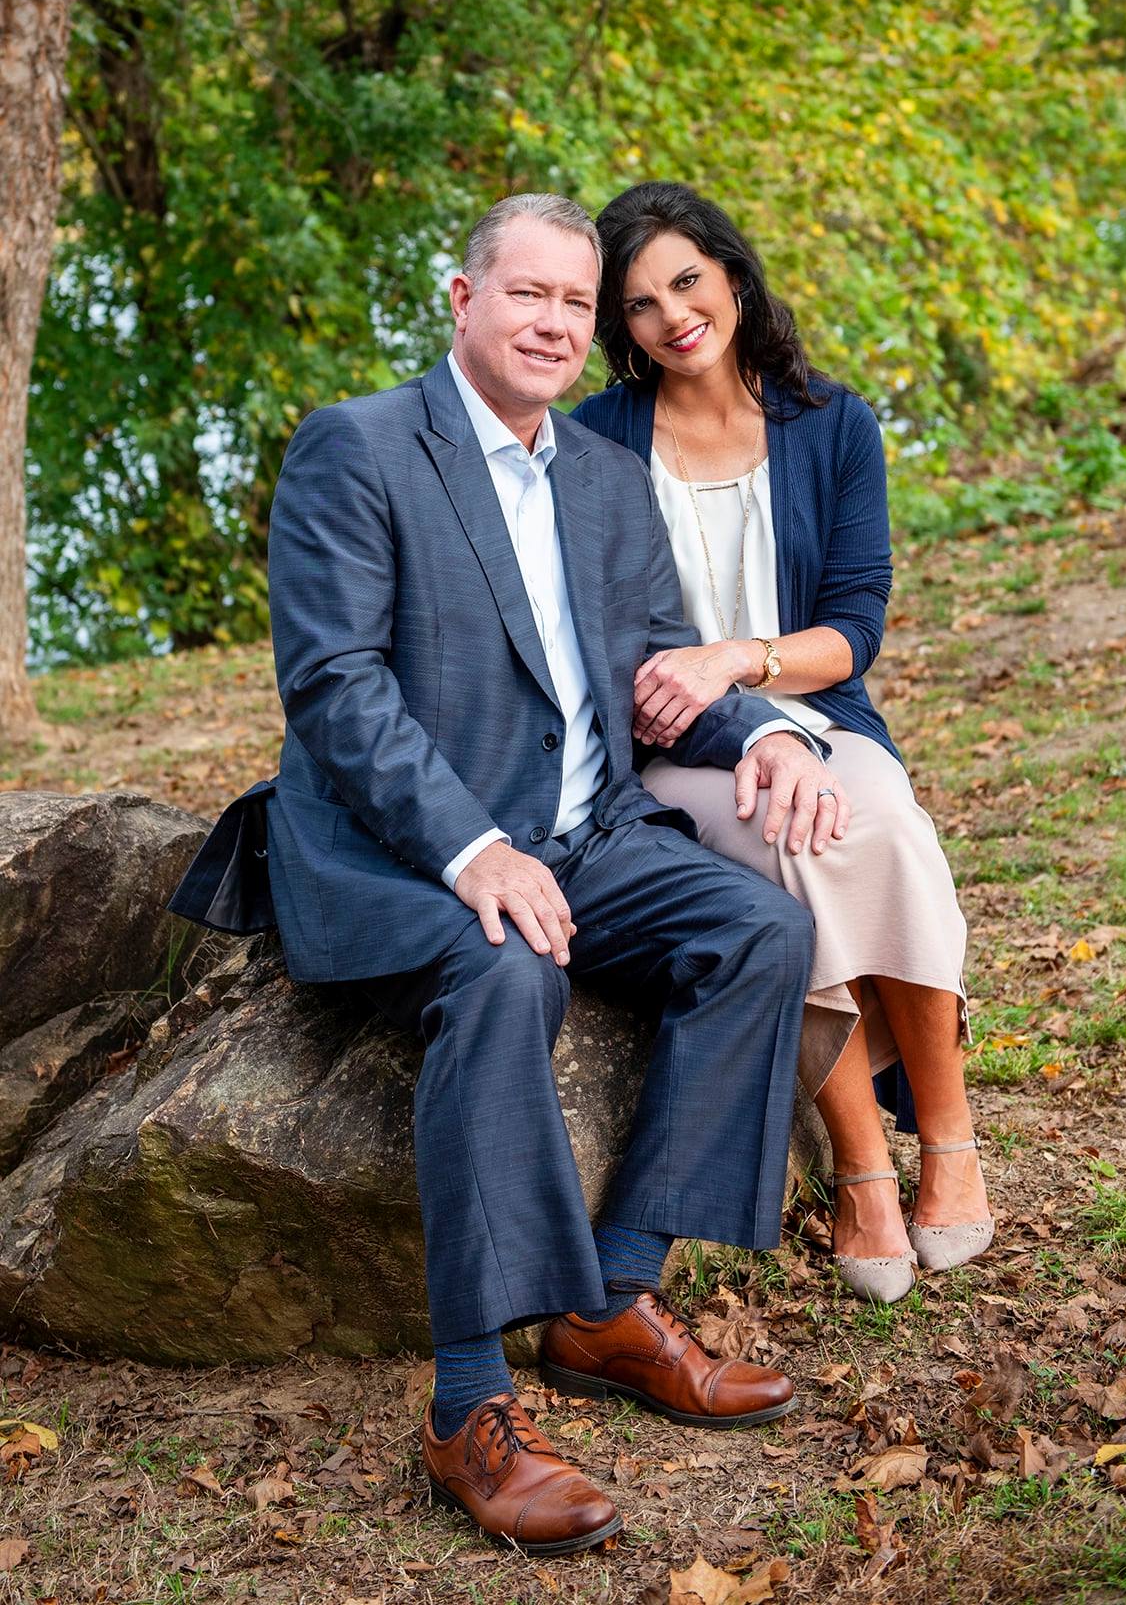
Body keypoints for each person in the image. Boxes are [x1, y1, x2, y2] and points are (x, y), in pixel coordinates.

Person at [170, 193, 839, 1556]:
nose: (553, 323)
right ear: (464, 299)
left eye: (576, 306)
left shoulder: (602, 478)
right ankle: (468, 1399)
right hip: (411, 848)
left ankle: (610, 1302)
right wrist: (473, 849)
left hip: (591, 839)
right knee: (502, 970)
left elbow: (660, 669)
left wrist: (767, 733)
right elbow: (335, 689)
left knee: (763, 931)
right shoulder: (357, 448)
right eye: (526, 294)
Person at [573, 181, 994, 1307]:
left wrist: (740, 660)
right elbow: (599, 634)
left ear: (733, 275)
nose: (672, 316)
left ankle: (947, 1140)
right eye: (641, 304)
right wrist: (713, 702)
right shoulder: (595, 445)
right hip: (676, 749)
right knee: (784, 846)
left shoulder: (833, 423)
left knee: (885, 823)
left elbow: (854, 629)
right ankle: (862, 1164)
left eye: (686, 282)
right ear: (622, 330)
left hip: (817, 713)